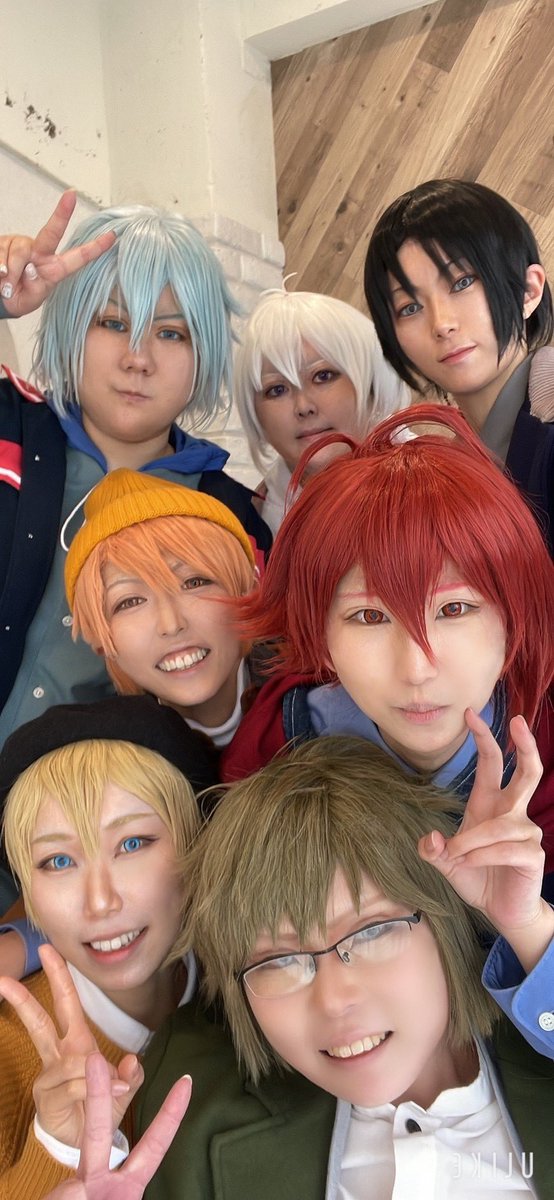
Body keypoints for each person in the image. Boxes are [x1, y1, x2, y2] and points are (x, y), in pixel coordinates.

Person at [134, 729, 554, 1198]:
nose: (334, 1000)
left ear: (444, 916)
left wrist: (528, 926)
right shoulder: (190, 1098)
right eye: (280, 961)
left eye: (371, 932)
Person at [221, 404, 554, 873]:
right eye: (370, 616)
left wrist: (531, 915)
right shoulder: (270, 750)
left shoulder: (547, 749)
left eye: (453, 609)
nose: (416, 669)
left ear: (514, 616)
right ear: (320, 632)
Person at [0, 190, 271, 753]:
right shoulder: (8, 428)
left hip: (104, 803)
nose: (138, 358)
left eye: (171, 333)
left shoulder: (234, 515)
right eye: (112, 322)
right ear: (71, 324)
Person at [0, 694, 218, 1197]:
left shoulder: (255, 985)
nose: (100, 902)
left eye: (132, 844)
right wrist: (60, 1149)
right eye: (58, 861)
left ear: (195, 843)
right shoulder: (8, 1052)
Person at [363, 178, 554, 551]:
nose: (441, 323)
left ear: (528, 291)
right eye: (409, 307)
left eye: (462, 282)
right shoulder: (442, 471)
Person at [64, 467, 257, 747]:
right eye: (130, 602)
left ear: (247, 590)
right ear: (98, 640)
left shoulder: (319, 697)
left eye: (194, 582)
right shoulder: (101, 759)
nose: (172, 624)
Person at [233, 287, 411, 533]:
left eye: (323, 376)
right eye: (277, 390)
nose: (303, 406)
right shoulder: (255, 530)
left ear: (370, 381)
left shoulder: (440, 479)